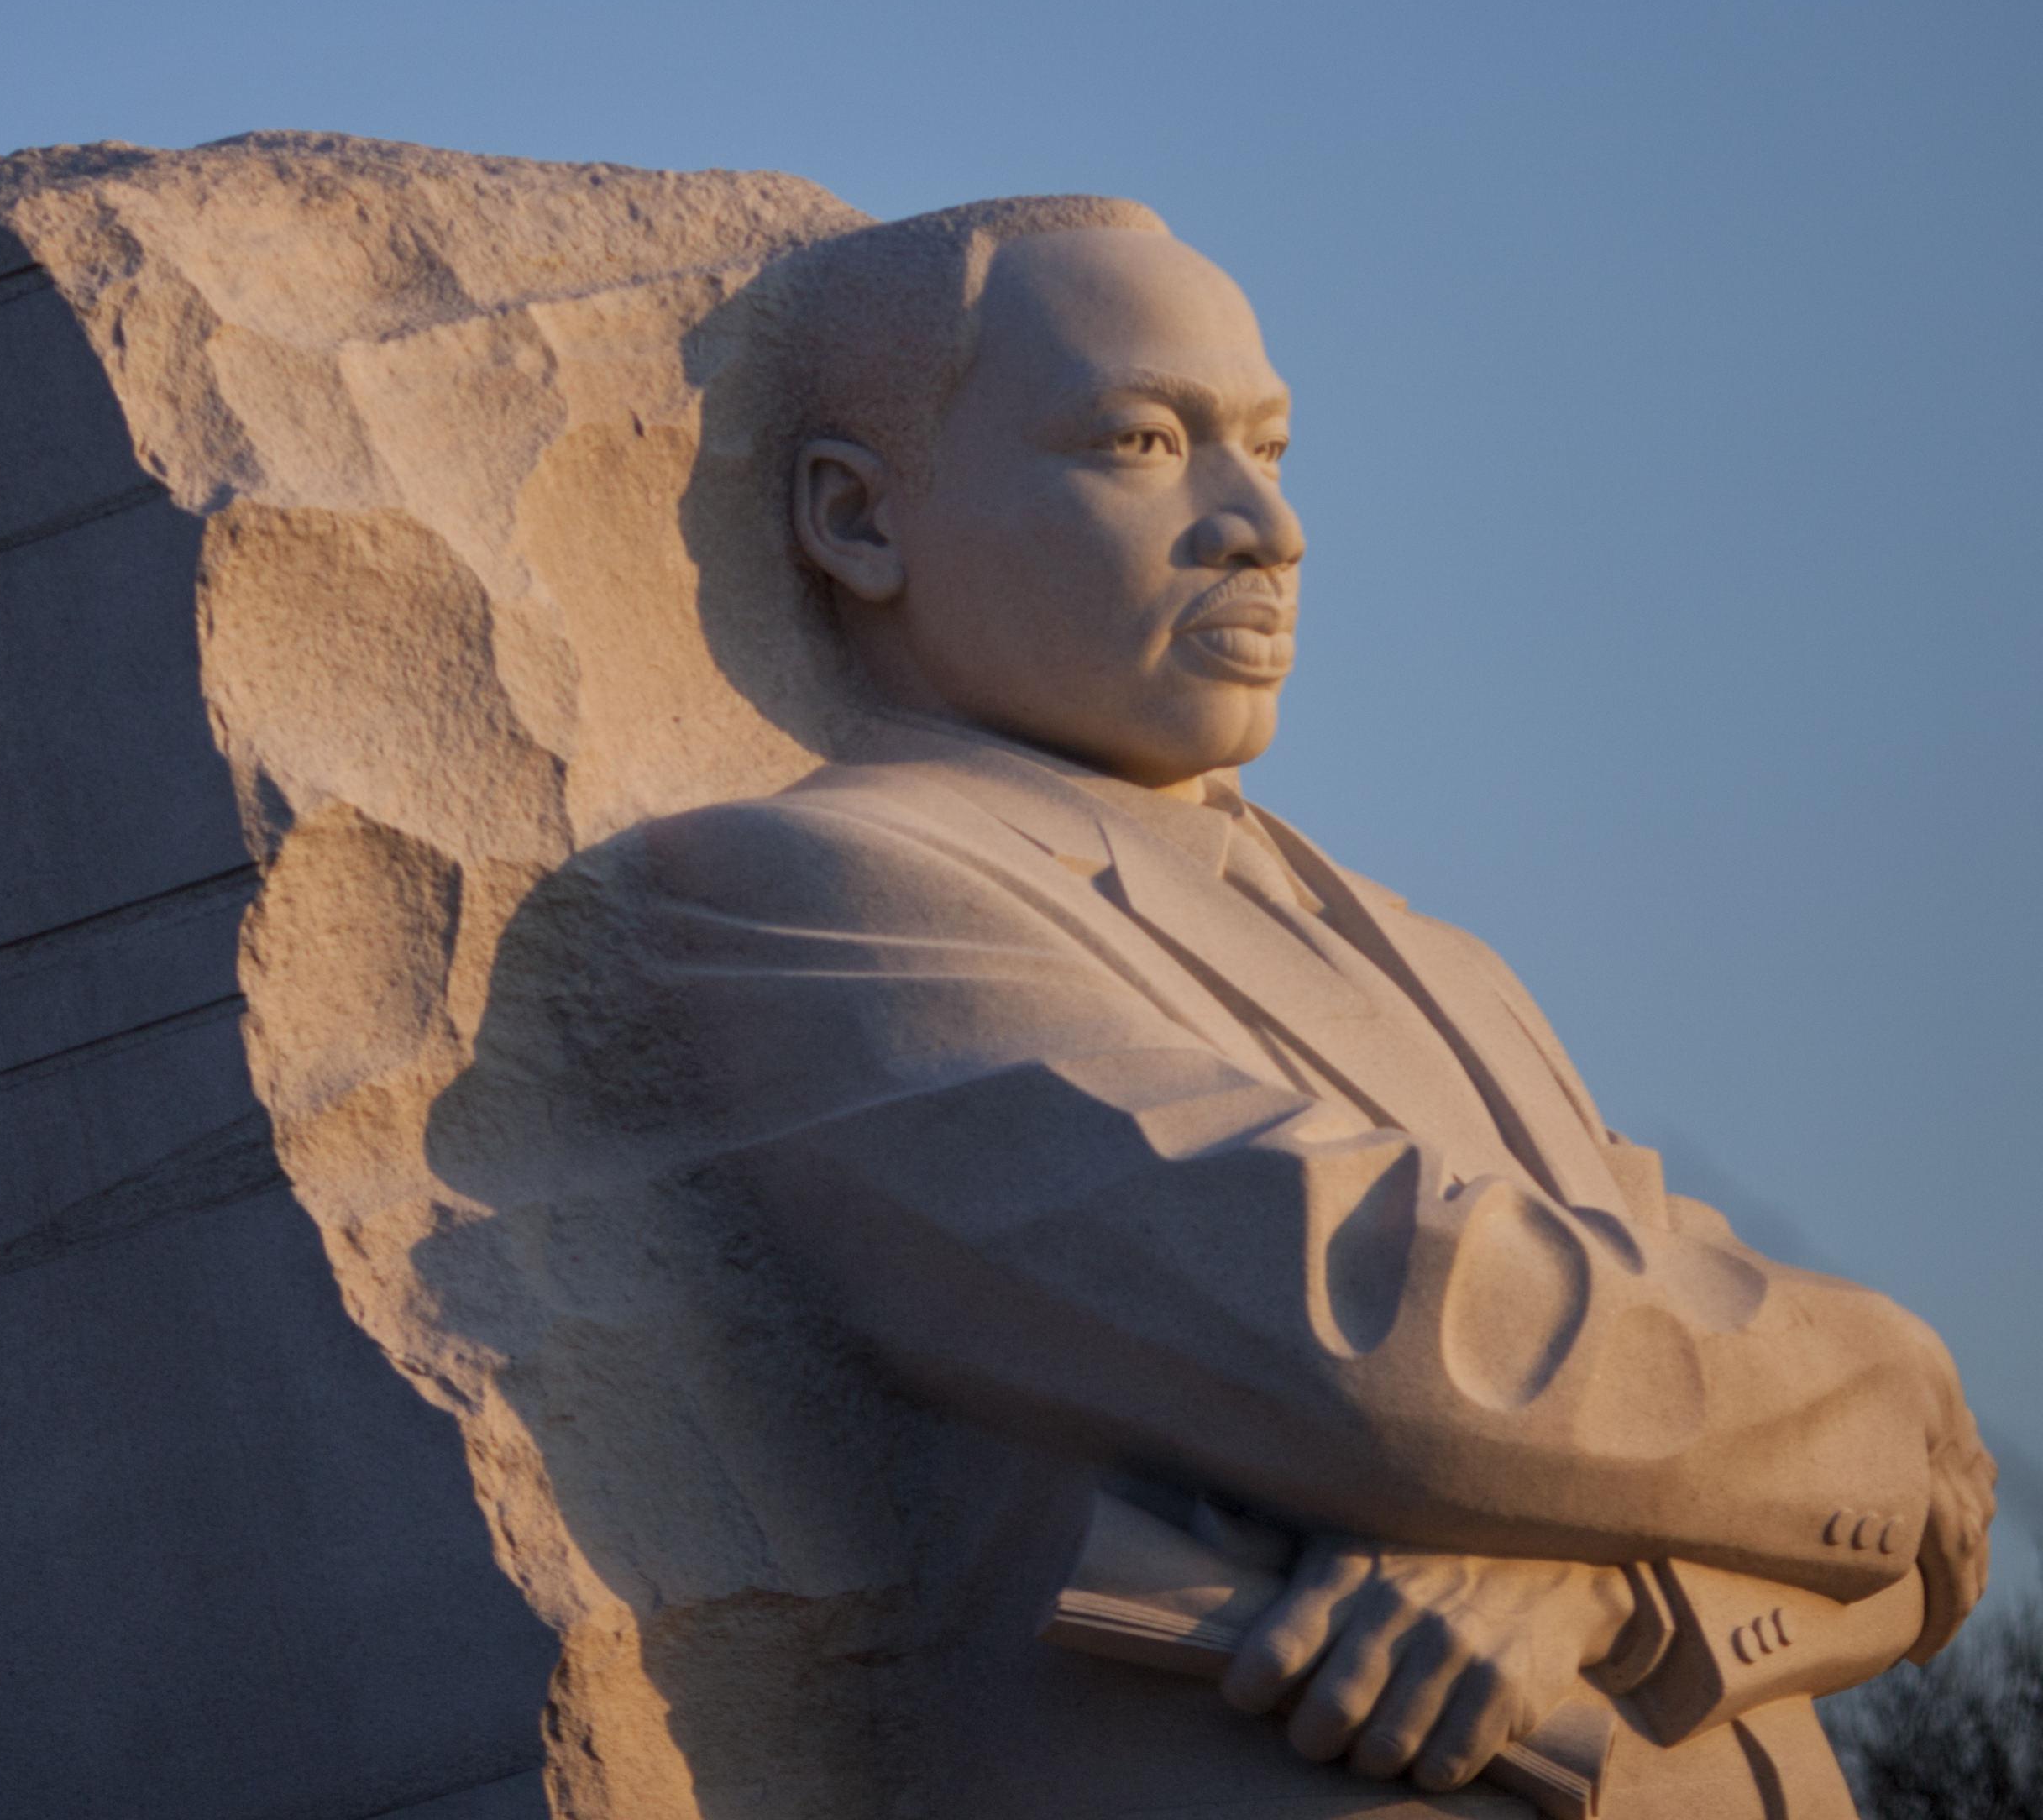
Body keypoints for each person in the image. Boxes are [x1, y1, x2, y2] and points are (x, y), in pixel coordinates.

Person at [605, 202, 1998, 1816]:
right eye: (1142, 441)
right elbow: (1384, 1336)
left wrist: (1608, 1591)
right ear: (858, 521)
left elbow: (1934, 1540)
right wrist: (1893, 1381)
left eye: (1270, 447)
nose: (1266, 525)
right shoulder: (806, 890)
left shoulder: (1442, 963)